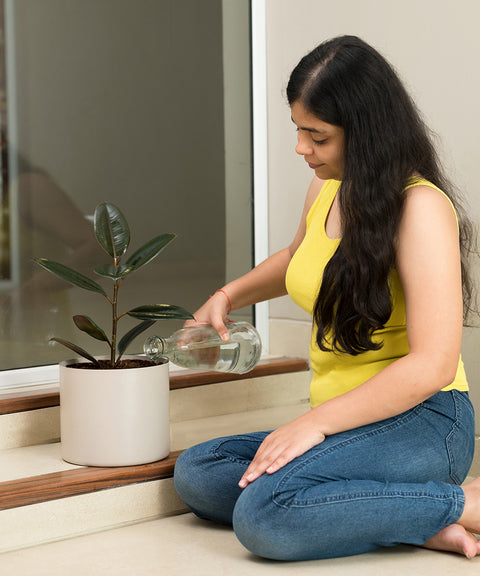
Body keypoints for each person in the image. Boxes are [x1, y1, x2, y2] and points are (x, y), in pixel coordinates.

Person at [174, 35, 480, 561]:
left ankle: (461, 504)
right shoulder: (330, 186)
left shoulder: (421, 209)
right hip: (343, 421)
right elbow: (298, 258)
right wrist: (227, 294)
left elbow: (432, 365)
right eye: (298, 129)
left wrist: (311, 424)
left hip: (425, 421)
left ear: (366, 133)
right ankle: (408, 516)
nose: (301, 148)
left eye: (317, 136)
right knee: (201, 472)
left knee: (266, 514)